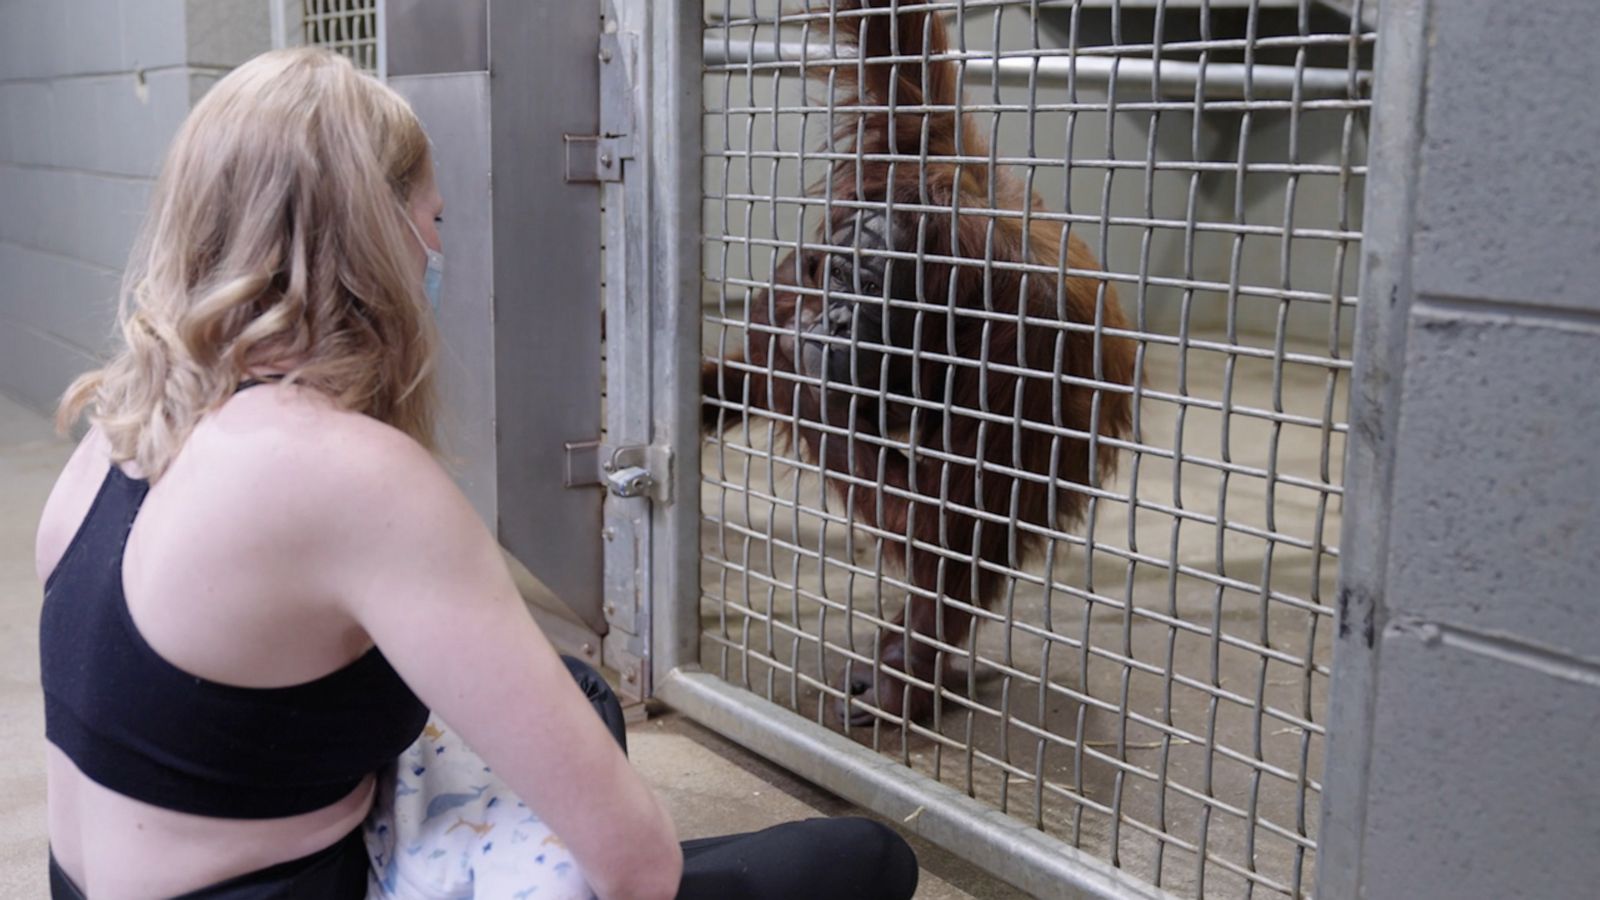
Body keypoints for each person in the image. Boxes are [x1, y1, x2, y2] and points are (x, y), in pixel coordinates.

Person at [35, 47, 918, 900]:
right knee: (863, 860)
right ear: (379, 237)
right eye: (437, 220)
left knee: (580, 695)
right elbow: (639, 871)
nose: (438, 249)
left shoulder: (118, 429)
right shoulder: (352, 473)